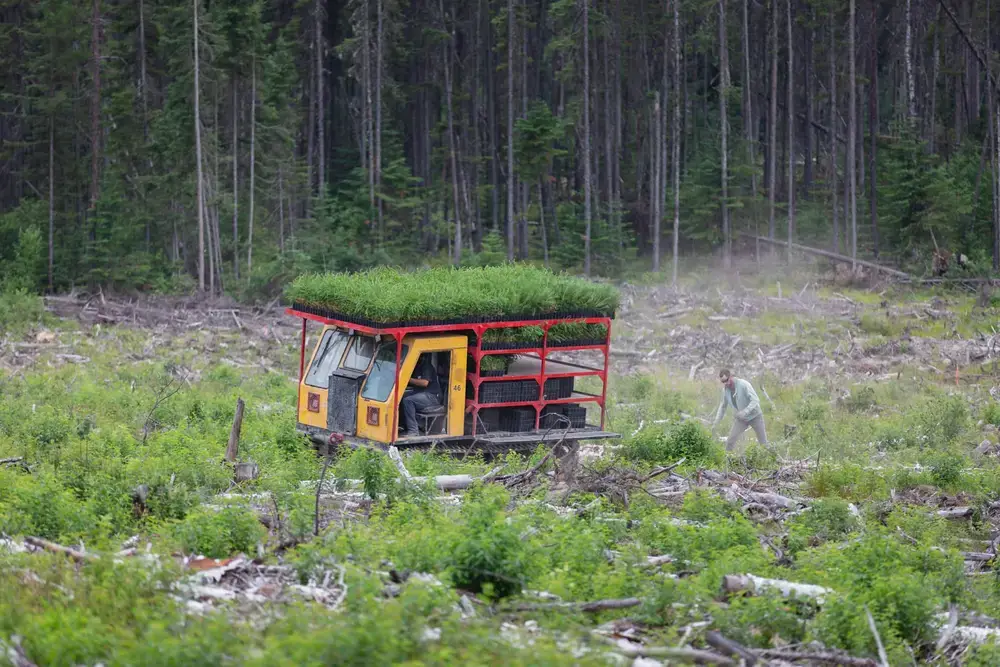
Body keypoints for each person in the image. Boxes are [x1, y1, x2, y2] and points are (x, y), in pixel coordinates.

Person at [711, 368, 767, 453]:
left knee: (763, 443)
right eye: (723, 382)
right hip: (741, 419)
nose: (726, 383)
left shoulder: (743, 384)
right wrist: (716, 423)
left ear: (731, 376)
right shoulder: (725, 390)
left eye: (726, 380)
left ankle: (773, 461)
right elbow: (722, 407)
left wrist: (745, 412)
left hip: (755, 416)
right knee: (730, 441)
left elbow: (755, 400)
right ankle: (727, 461)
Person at [400, 353, 442, 437]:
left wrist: (407, 379)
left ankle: (413, 431)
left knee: (408, 400)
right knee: (400, 398)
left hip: (432, 396)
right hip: (421, 394)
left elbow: (424, 383)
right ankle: (404, 426)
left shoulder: (427, 367)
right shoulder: (415, 367)